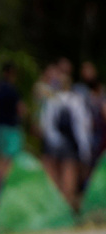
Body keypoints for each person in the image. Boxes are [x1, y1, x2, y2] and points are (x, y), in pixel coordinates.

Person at [39, 67, 92, 210]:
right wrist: (84, 148)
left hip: (53, 144)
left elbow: (46, 124)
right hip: (70, 144)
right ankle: (66, 206)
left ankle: (55, 206)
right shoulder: (76, 100)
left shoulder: (52, 101)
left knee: (54, 176)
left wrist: (53, 141)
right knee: (69, 174)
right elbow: (82, 126)